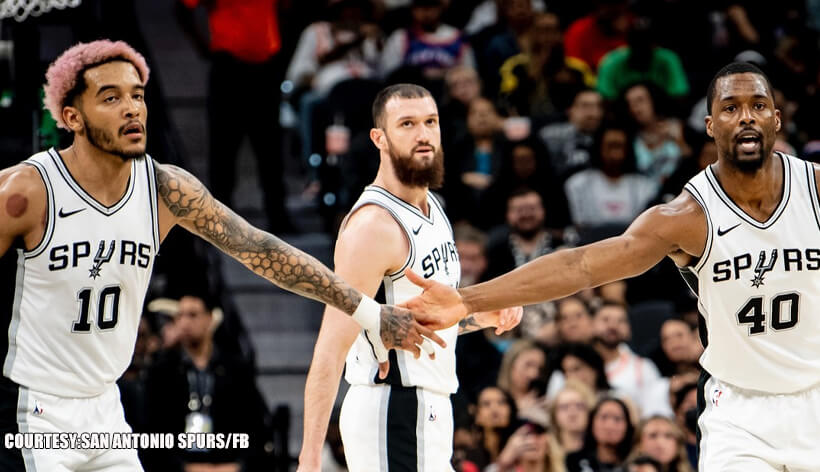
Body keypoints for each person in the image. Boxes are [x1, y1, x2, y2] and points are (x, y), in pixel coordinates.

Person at [0, 40, 443, 471]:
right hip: (31, 405)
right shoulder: (27, 191)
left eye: (137, 95)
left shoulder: (165, 189)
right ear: (72, 117)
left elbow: (260, 249)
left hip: (104, 407)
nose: (132, 108)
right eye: (111, 97)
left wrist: (369, 310)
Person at [404, 61, 820, 470]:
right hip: (739, 412)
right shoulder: (689, 216)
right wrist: (466, 300)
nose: (746, 117)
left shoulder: (813, 189)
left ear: (777, 119)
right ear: (710, 126)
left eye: (759, 106)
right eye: (730, 108)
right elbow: (582, 265)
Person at [296, 84, 522, 472]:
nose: (423, 134)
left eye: (430, 122)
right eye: (407, 124)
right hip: (392, 409)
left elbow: (416, 322)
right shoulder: (373, 226)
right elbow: (332, 345)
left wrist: (476, 318)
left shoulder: (433, 205)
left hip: (428, 408)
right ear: (379, 138)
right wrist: (310, 458)